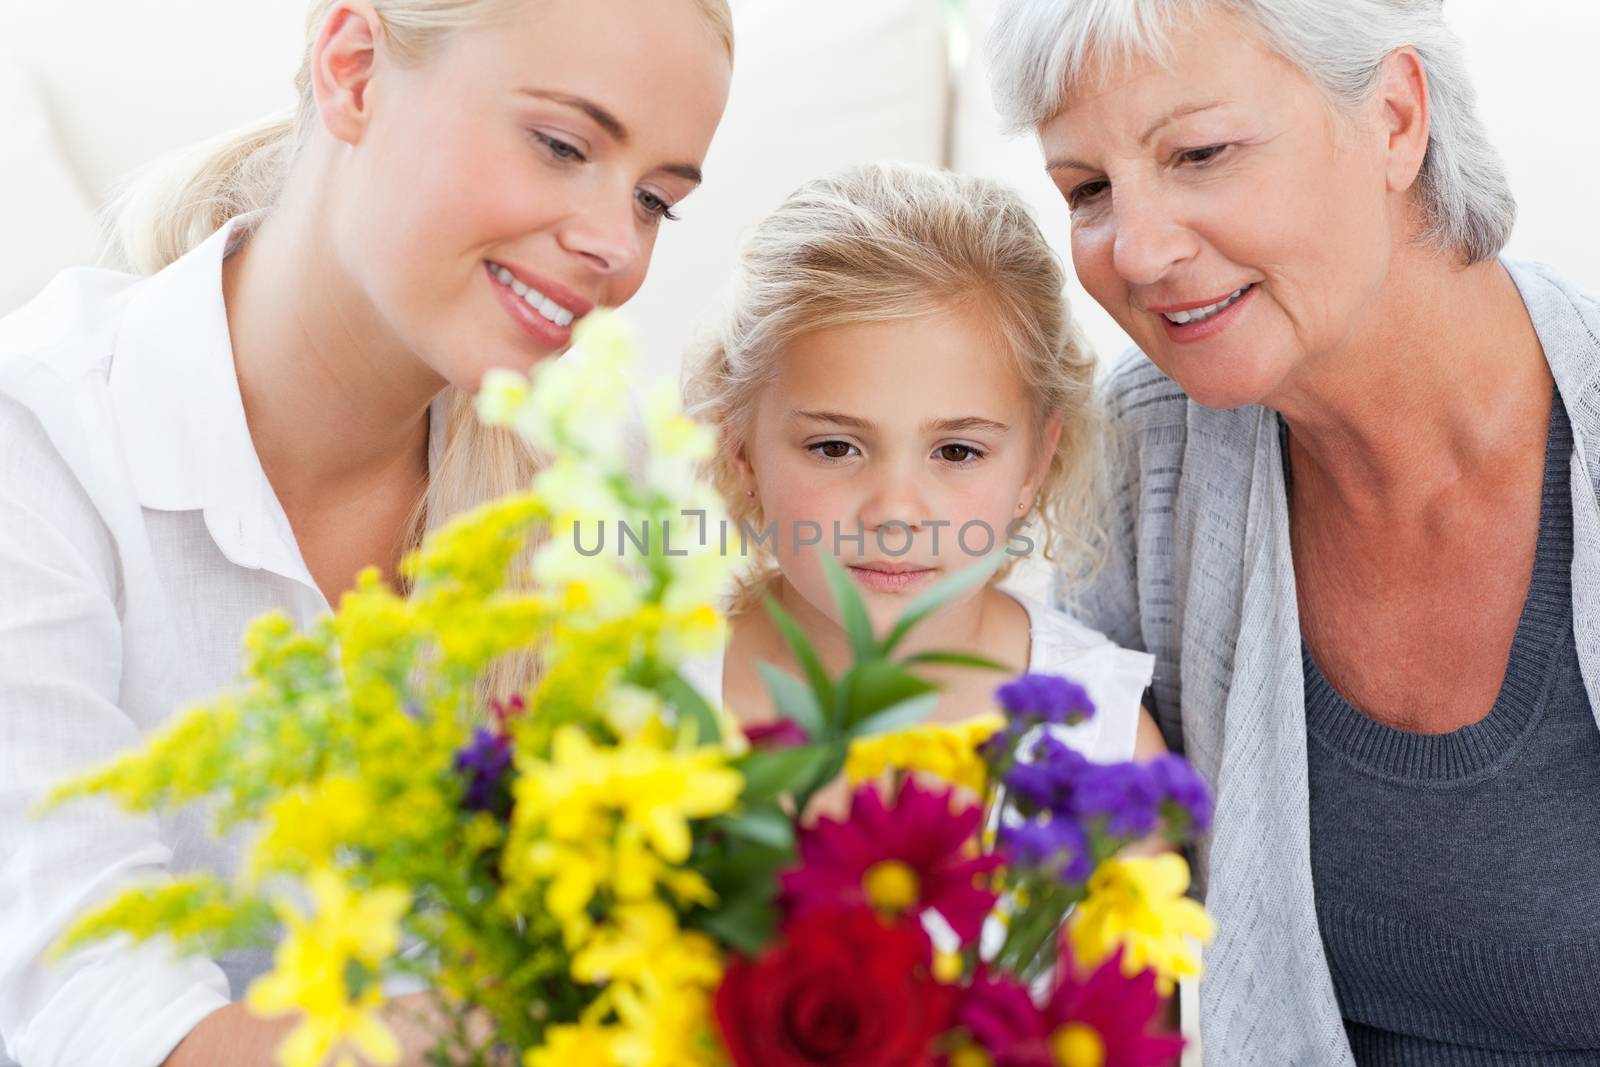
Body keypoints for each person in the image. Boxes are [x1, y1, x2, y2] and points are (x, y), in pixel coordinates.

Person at [0, 1, 733, 1063]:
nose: (614, 245)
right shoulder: (43, 439)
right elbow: (83, 996)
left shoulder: (595, 473)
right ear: (353, 71)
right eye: (563, 145)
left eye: (656, 200)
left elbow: (666, 903)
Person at [989, 0, 1600, 1063]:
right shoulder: (1147, 451)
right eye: (1086, 189)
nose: (1135, 250)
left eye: (1199, 152)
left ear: (1397, 120)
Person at [682, 162, 1164, 766]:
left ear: (1036, 463)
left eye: (957, 452)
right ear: (740, 449)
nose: (895, 513)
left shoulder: (1098, 740)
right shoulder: (648, 695)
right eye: (835, 447)